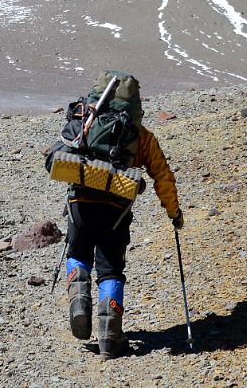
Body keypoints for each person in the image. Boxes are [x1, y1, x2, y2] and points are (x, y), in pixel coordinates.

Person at [44, 75, 183, 359]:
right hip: (116, 210)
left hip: (80, 202)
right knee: (110, 270)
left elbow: (58, 152)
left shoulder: (87, 121)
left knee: (79, 252)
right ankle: (110, 337)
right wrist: (174, 212)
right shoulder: (140, 136)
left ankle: (79, 301)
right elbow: (163, 176)